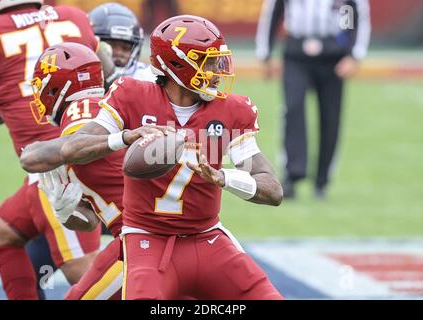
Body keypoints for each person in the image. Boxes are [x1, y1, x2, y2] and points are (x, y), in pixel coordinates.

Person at [55, 15, 284, 299]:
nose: (216, 71)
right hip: (146, 241)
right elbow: (72, 146)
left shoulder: (230, 112)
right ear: (176, 65)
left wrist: (223, 177)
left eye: (216, 61)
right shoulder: (133, 96)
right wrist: (124, 136)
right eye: (207, 61)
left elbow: (272, 190)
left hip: (208, 240)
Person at [0, 0, 102, 299]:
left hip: (56, 166)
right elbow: (104, 67)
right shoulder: (74, 16)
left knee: (82, 271)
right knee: (2, 233)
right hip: (85, 141)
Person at [20, 42, 125, 300]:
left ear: (58, 87)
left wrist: (33, 151)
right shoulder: (100, 109)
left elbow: (34, 158)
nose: (39, 95)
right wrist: (65, 212)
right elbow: (89, 222)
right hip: (139, 233)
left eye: (42, 86)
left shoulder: (84, 108)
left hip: (148, 236)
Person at [256, 0, 371, 198]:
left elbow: (355, 13)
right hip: (296, 53)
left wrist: (354, 54)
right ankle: (292, 175)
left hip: (333, 54)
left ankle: (322, 180)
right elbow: (273, 12)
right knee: (292, 110)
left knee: (330, 117)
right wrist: (265, 54)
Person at [89, 2, 156, 89]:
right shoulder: (81, 74)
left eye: (125, 48)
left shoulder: (147, 78)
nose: (119, 53)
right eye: (111, 46)